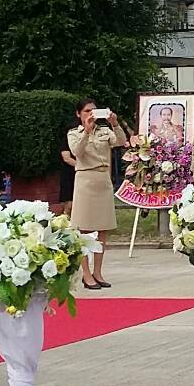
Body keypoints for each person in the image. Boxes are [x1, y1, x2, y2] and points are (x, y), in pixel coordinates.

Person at [68, 99, 127, 289]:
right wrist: (86, 131)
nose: (91, 114)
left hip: (103, 179)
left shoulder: (104, 131)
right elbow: (77, 151)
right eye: (87, 111)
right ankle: (86, 273)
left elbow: (121, 141)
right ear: (79, 114)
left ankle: (98, 271)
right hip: (85, 180)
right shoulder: (74, 133)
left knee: (102, 229)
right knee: (84, 229)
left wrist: (114, 123)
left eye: (94, 111)